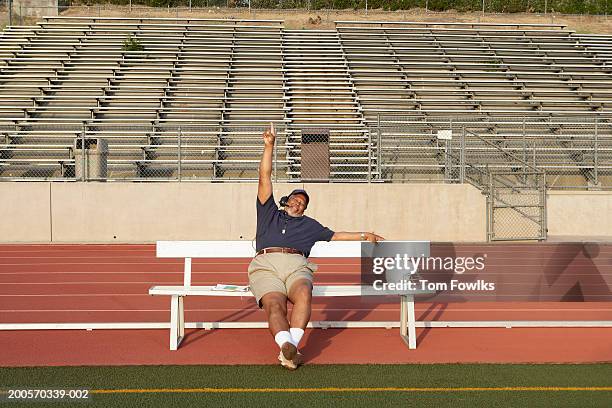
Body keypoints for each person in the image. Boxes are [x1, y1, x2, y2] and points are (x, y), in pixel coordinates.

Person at [249, 123, 384, 370]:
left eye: (302, 203)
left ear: (305, 209)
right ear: (286, 200)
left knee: (303, 294)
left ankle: (289, 348)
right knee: (274, 304)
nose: (297, 203)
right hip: (265, 265)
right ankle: (288, 349)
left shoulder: (311, 226)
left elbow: (337, 235)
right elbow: (264, 177)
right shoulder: (268, 212)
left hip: (296, 265)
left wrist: (366, 235)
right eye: (295, 199)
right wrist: (269, 146)